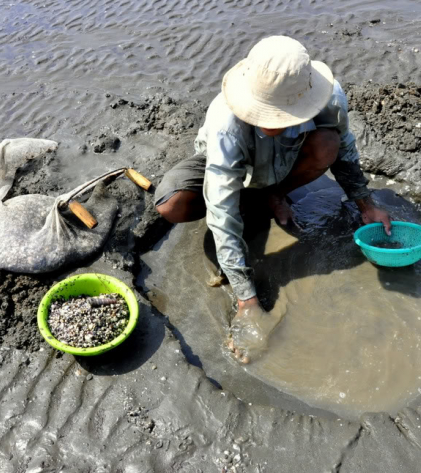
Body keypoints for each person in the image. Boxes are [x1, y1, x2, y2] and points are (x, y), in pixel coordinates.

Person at [154, 36, 391, 362]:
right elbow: (221, 209)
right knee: (171, 203)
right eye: (263, 115)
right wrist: (247, 300)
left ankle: (274, 196)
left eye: (281, 116)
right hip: (234, 170)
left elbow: (345, 152)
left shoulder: (330, 99)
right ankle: (256, 201)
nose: (271, 124)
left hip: (285, 167)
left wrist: (367, 204)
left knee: (328, 143)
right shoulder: (227, 122)